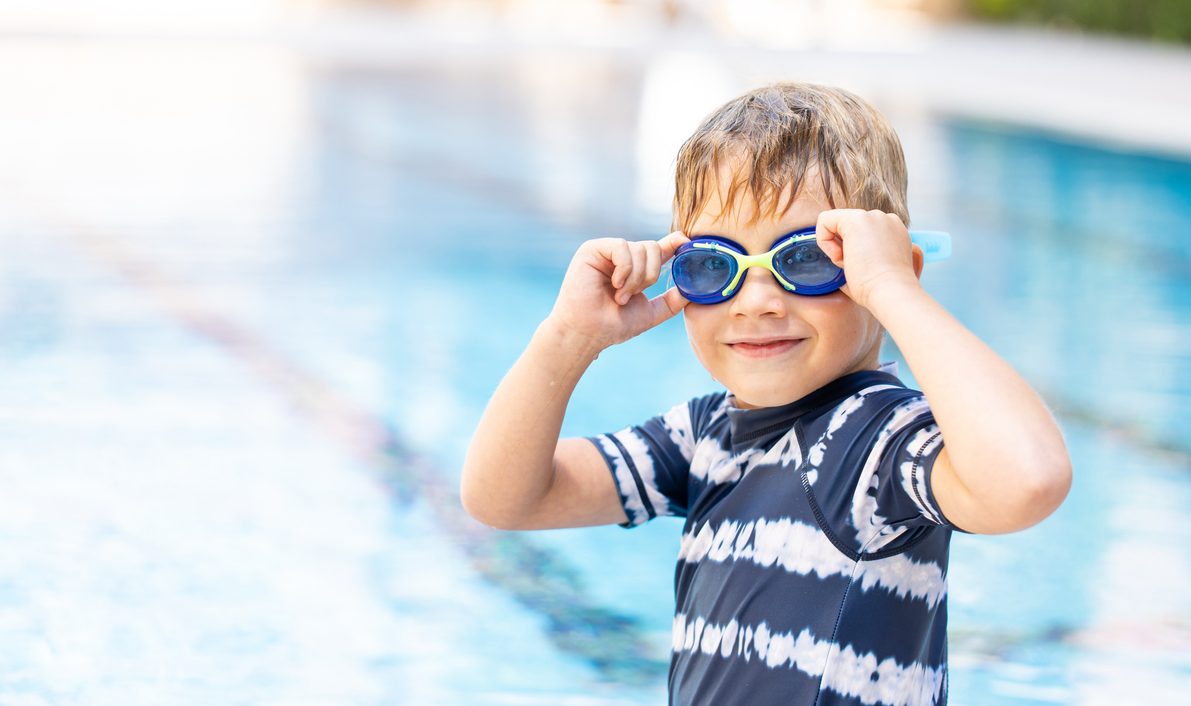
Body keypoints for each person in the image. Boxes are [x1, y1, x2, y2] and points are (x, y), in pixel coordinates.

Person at [460, 82, 1071, 706]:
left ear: (882, 273)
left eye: (805, 260)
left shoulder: (875, 441)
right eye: (713, 266)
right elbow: (504, 499)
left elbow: (1027, 479)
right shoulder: (705, 437)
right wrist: (567, 339)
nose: (757, 302)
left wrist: (896, 292)